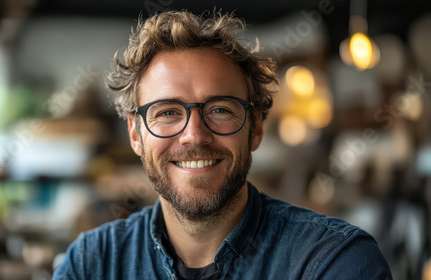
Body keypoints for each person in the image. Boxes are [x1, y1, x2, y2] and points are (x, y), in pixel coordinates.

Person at [53, 10, 392, 279]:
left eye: (219, 110)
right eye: (167, 112)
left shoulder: (333, 263)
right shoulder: (91, 264)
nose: (194, 135)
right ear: (135, 134)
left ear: (256, 127)